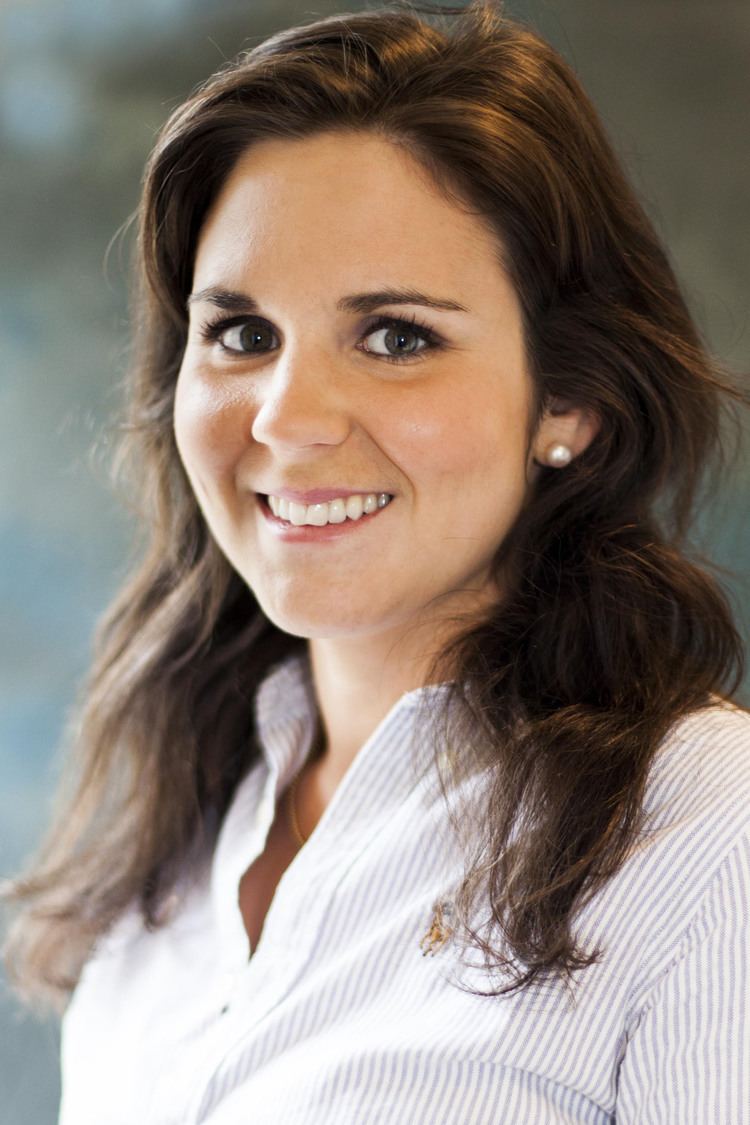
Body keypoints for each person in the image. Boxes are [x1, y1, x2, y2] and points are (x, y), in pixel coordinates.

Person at [4, 2, 749, 1121]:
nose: (287, 419)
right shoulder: (157, 856)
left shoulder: (710, 835)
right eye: (243, 334)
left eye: (397, 336)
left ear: (572, 401)